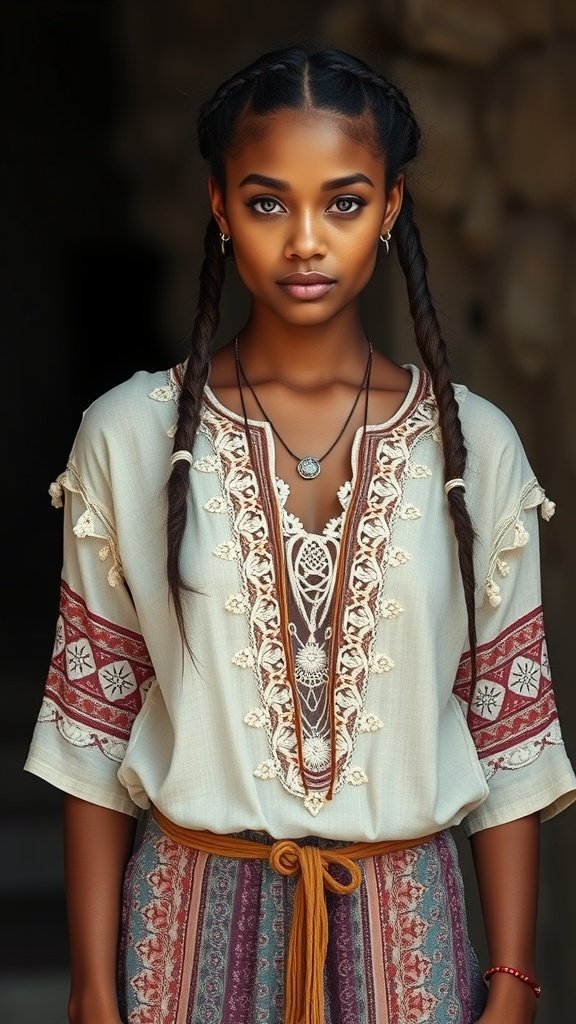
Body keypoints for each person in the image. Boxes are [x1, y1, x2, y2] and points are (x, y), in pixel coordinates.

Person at [25, 46, 575, 1024]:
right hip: (184, 938)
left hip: (411, 943)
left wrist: (511, 986)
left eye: (346, 202)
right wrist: (94, 990)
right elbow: (89, 726)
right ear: (219, 206)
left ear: (394, 208)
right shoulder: (131, 435)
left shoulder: (473, 444)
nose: (307, 240)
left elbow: (511, 737)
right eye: (270, 202)